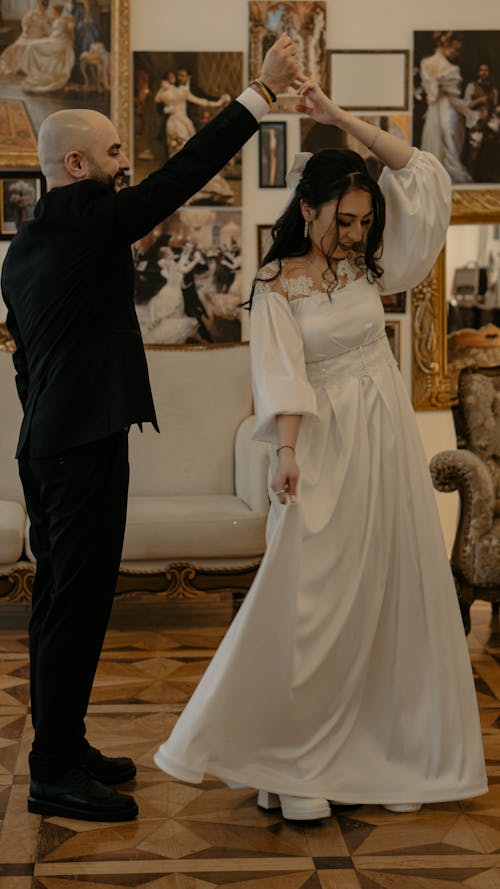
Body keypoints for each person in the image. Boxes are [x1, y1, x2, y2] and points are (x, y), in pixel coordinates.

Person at [154, 77, 487, 820]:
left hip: (384, 441)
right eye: (345, 218)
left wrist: (339, 120)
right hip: (322, 449)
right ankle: (287, 755)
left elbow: (423, 175)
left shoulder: (372, 266)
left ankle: (389, 750)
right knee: (309, 600)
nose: (358, 233)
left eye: (367, 220)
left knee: (386, 589)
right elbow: (280, 377)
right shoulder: (275, 284)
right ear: (307, 209)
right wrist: (287, 453)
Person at [1, 34, 299, 824]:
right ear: (76, 168)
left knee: (66, 603)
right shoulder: (87, 221)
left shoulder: (29, 245)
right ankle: (54, 770)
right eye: (110, 152)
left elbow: (24, 362)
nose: (123, 160)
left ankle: (65, 745)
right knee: (75, 606)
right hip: (78, 450)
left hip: (54, 445)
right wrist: (259, 96)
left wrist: (58, 418)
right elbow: (180, 175)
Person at [419, 31, 478, 183]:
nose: (457, 54)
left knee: (439, 150)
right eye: (456, 50)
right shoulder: (452, 70)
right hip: (448, 113)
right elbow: (456, 102)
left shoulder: (426, 64)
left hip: (433, 113)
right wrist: (472, 114)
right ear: (447, 44)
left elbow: (431, 94)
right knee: (450, 150)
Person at [21, 3, 75, 94]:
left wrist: (48, 35)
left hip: (59, 43)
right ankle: (33, 70)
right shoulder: (58, 20)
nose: (52, 13)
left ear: (57, 12)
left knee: (33, 46)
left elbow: (57, 34)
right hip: (56, 40)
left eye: (54, 11)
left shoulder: (61, 21)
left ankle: (34, 70)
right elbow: (53, 33)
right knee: (32, 45)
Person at [0, 0, 51, 76]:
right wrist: (25, 29)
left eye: (44, 6)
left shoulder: (47, 17)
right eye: (41, 5)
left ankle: (25, 68)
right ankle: (18, 67)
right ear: (38, 5)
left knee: (33, 46)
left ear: (46, 7)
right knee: (19, 45)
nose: (42, 8)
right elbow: (24, 22)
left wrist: (45, 33)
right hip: (29, 34)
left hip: (39, 36)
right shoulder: (32, 13)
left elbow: (47, 29)